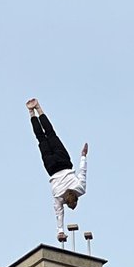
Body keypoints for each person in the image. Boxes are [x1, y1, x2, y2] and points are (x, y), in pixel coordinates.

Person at [27, 99, 88, 240]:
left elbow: (83, 171)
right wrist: (60, 231)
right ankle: (31, 112)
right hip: (51, 168)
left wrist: (83, 156)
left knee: (51, 134)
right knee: (41, 138)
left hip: (64, 162)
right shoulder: (59, 198)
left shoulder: (80, 189)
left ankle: (38, 108)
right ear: (68, 202)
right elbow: (59, 214)